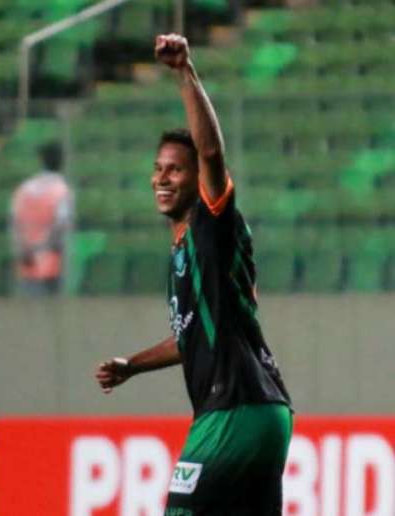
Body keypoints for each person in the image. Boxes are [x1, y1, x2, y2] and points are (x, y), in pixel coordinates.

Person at [95, 34, 292, 515]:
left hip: (232, 411)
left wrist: (184, 71)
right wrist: (133, 366)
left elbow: (210, 154)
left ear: (196, 181)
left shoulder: (210, 223)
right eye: (158, 168)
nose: (162, 177)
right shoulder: (187, 248)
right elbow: (190, 337)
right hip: (267, 413)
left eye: (175, 170)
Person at [10, 141, 74, 295]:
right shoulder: (62, 189)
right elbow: (60, 226)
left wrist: (24, 250)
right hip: (52, 263)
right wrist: (42, 248)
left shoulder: (24, 188)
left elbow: (15, 223)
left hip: (27, 260)